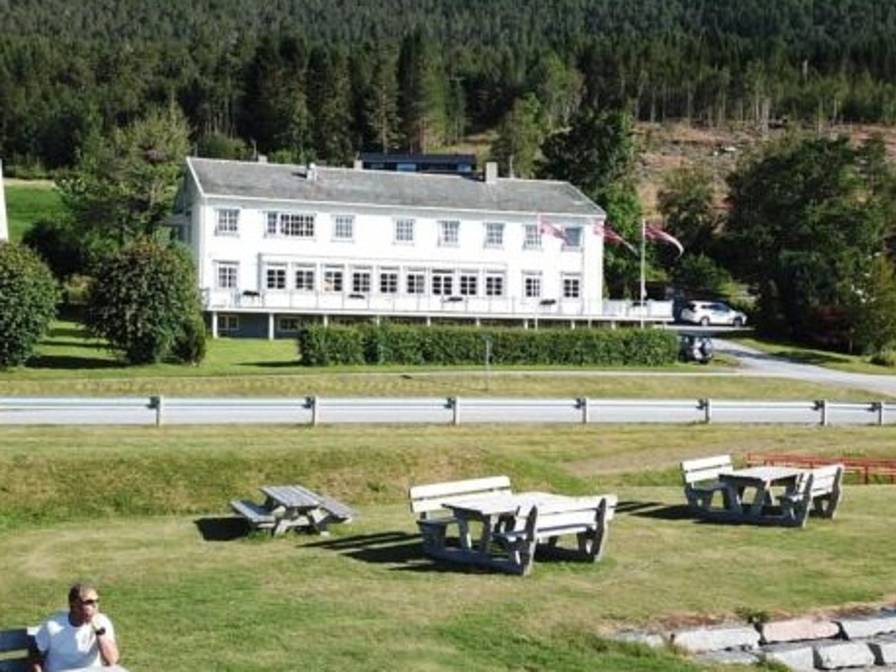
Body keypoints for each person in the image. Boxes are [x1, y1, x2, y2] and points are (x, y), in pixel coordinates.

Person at [30, 582, 121, 671]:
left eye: (97, 601)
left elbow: (112, 660)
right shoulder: (53, 625)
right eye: (89, 602)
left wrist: (99, 632)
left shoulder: (102, 622)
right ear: (74, 605)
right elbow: (36, 654)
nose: (95, 605)